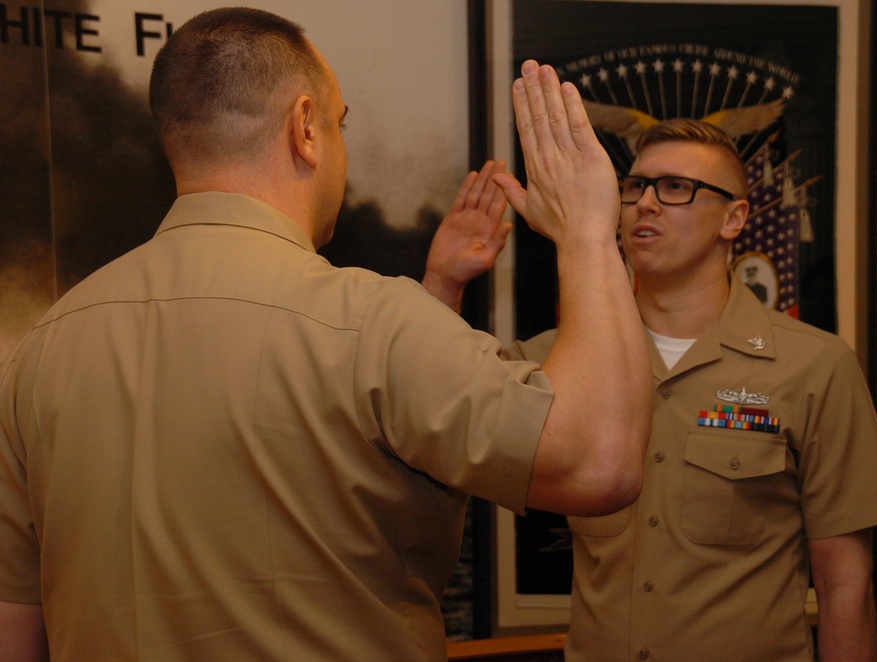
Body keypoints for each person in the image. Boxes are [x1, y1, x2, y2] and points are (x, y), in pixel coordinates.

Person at [0, 8, 652, 661]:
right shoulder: (365, 320)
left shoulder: (41, 350)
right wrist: (588, 231)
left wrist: (440, 290)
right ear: (305, 127)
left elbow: (16, 626)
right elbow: (596, 463)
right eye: (340, 125)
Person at [424, 117, 877, 661]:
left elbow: (846, 587)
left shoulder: (815, 367)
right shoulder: (560, 359)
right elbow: (432, 411)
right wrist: (445, 281)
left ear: (735, 218)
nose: (645, 204)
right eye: (635, 187)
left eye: (676, 188)